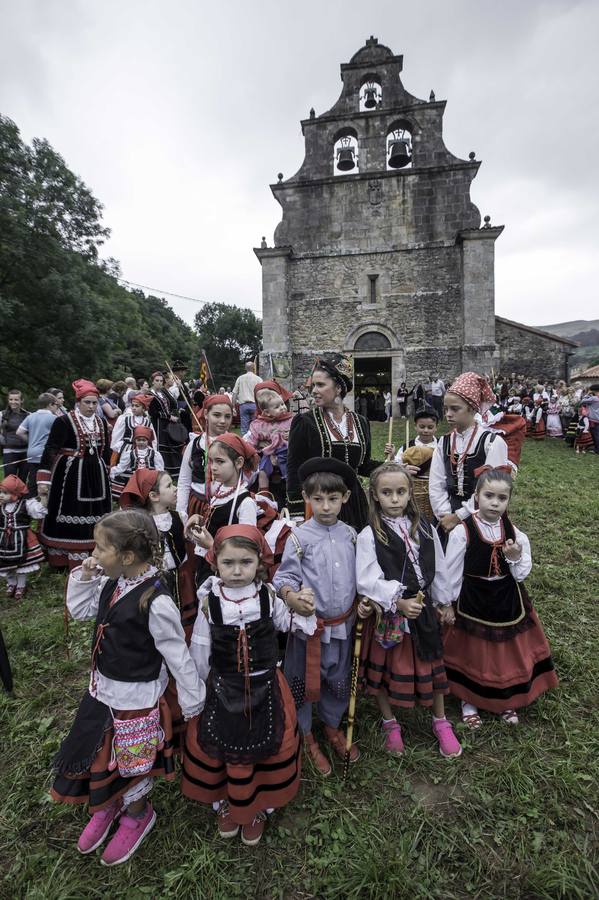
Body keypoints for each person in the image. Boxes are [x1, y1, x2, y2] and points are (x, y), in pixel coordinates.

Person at [50, 509, 205, 866]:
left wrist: (192, 697)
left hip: (136, 699)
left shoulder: (155, 600)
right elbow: (82, 610)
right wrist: (87, 577)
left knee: (134, 763)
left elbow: (176, 653)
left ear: (127, 557)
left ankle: (137, 811)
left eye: (101, 548)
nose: (95, 553)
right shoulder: (112, 581)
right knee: (102, 753)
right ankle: (108, 802)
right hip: (102, 690)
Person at [182, 525, 303, 846]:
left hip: (266, 687)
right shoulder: (211, 601)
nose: (237, 571)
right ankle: (227, 801)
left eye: (246, 563)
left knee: (269, 743)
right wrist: (194, 692)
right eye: (228, 563)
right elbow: (200, 647)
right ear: (215, 563)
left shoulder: (268, 596)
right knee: (224, 745)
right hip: (223, 689)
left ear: (260, 563)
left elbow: (287, 623)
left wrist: (302, 610)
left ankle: (259, 804)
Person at [356, 463, 461, 758]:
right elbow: (366, 578)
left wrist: (444, 601)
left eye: (400, 492)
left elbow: (437, 566)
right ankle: (390, 722)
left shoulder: (425, 526)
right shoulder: (368, 535)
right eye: (386, 493)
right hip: (391, 615)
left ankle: (440, 721)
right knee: (385, 670)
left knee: (432, 662)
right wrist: (397, 601)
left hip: (424, 609)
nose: (394, 499)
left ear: (409, 493)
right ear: (375, 495)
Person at [443, 468, 558, 728]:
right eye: (489, 496)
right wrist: (447, 602)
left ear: (508, 500)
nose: (495, 503)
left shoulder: (514, 533)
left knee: (504, 652)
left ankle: (505, 698)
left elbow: (520, 575)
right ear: (476, 497)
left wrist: (514, 557)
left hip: (506, 598)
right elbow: (450, 570)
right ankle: (468, 700)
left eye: (502, 498)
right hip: (473, 598)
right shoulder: (463, 531)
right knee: (472, 652)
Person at [273, 458, 360, 775]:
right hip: (309, 633)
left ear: (345, 498)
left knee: (338, 679)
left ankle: (332, 725)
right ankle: (306, 733)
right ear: (307, 498)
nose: (325, 506)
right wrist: (292, 598)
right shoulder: (298, 538)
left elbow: (360, 577)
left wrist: (363, 601)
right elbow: (283, 580)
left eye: (333, 499)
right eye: (318, 499)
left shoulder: (352, 535)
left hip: (343, 628)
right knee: (304, 682)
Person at [286, 354, 382, 529]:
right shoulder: (305, 422)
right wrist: (297, 514)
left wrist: (393, 467)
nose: (314, 390)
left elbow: (362, 465)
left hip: (354, 503)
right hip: (320, 503)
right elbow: (294, 469)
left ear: (338, 388)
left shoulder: (361, 422)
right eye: (313, 385)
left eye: (320, 385)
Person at [38, 380, 112, 569]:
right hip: (70, 475)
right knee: (71, 509)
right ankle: (64, 557)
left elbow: (105, 450)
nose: (91, 406)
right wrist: (44, 479)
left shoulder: (101, 422)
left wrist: (107, 469)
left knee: (97, 511)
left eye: (94, 403)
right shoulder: (63, 421)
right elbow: (50, 448)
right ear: (78, 402)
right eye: (87, 402)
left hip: (96, 475)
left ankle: (95, 549)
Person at [429, 372, 509, 537]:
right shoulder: (443, 442)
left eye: (455, 408)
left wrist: (459, 516)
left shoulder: (492, 443)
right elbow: (436, 483)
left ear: (472, 409)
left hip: (481, 516)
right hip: (446, 517)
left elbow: (492, 489)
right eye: (446, 409)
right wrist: (445, 515)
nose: (448, 414)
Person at [184, 433, 259, 604]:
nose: (213, 467)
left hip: (229, 576)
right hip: (208, 565)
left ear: (238, 463)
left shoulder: (245, 502)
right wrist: (199, 521)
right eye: (211, 461)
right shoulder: (218, 492)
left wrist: (210, 545)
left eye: (220, 461)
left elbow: (247, 550)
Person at [244, 381, 294, 500]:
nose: (281, 408)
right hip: (267, 463)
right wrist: (259, 447)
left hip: (287, 458)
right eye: (260, 397)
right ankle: (264, 496)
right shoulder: (258, 424)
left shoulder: (290, 419)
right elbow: (250, 442)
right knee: (263, 472)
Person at [0, 474, 46, 599]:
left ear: (15, 493)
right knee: (4, 563)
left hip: (23, 539)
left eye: (5, 493)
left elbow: (39, 513)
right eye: (0, 492)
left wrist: (42, 497)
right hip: (4, 541)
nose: (1, 495)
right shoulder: (1, 506)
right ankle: (11, 583)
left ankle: (21, 585)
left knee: (23, 564)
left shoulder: (26, 504)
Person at [393, 406, 439, 520]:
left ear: (436, 428)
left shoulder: (441, 446)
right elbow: (396, 465)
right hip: (413, 491)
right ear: (415, 427)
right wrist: (403, 468)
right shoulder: (408, 446)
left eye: (430, 427)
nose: (426, 430)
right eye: (422, 426)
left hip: (436, 491)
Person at [16, 392, 61, 494]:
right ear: (50, 405)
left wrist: (30, 440)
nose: (57, 408)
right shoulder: (54, 419)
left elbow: (19, 432)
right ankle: (44, 505)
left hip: (32, 453)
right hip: (46, 454)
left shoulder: (31, 416)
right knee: (47, 480)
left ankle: (30, 504)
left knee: (32, 480)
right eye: (56, 405)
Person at [110, 426, 164, 500]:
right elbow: (122, 466)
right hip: (134, 479)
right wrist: (113, 472)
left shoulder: (155, 454)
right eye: (138, 440)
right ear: (135, 440)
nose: (141, 442)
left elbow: (159, 468)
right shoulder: (129, 453)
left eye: (143, 440)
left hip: (149, 479)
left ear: (148, 441)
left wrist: (160, 478)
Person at [149, 371, 184, 476]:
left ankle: (172, 469)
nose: (159, 383)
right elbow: (153, 412)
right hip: (158, 423)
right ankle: (161, 469)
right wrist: (169, 416)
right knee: (161, 445)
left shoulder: (162, 393)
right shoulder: (150, 394)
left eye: (161, 381)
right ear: (152, 381)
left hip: (166, 423)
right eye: (157, 381)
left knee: (170, 444)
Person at [0, 390, 29, 479]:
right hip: (9, 452)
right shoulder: (2, 414)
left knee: (22, 480)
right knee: (9, 481)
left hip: (25, 452)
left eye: (16, 400)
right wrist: (3, 441)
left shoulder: (28, 415)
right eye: (11, 399)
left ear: (21, 400)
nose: (13, 402)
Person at [231, 361, 262, 436]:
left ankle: (244, 444)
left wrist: (233, 407)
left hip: (243, 406)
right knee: (255, 427)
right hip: (255, 405)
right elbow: (262, 393)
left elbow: (234, 393)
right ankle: (254, 443)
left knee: (244, 428)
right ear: (254, 368)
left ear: (245, 368)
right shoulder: (258, 379)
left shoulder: (240, 378)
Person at [580, 384, 599, 454]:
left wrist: (587, 394)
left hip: (593, 418)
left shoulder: (594, 398)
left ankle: (597, 449)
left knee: (595, 434)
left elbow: (583, 401)